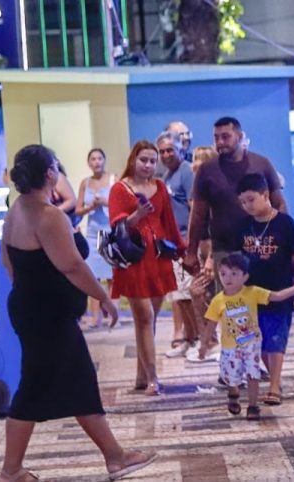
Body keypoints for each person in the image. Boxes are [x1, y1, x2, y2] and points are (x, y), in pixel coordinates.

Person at [0, 144, 154, 482]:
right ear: (50, 174)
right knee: (41, 386)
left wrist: (27, 293)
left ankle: (114, 456)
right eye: (56, 165)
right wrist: (106, 298)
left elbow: (7, 261)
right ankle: (11, 471)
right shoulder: (47, 214)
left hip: (30, 310)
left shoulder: (16, 210)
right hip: (48, 317)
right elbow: (72, 265)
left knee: (73, 381)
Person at [184, 117, 286, 364]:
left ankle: (262, 363)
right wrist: (191, 251)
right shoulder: (208, 170)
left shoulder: (261, 164)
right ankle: (237, 366)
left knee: (262, 308)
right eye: (216, 137)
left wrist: (285, 241)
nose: (220, 142)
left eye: (225, 137)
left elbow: (279, 204)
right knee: (234, 311)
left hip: (261, 249)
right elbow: (198, 214)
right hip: (225, 251)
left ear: (240, 137)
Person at [109, 140, 184, 396]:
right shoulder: (119, 189)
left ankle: (142, 375)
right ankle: (153, 377)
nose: (149, 165)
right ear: (133, 159)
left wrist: (183, 252)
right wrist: (137, 215)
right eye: (144, 160)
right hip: (134, 258)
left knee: (148, 320)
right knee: (144, 318)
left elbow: (170, 224)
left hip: (159, 258)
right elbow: (117, 227)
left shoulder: (160, 187)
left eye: (153, 161)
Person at [231, 173, 294, 406]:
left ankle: (274, 386)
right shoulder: (243, 226)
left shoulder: (284, 224)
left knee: (276, 340)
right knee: (260, 343)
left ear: (266, 195)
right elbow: (236, 261)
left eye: (251, 200)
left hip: (280, 293)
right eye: (243, 202)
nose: (247, 206)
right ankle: (274, 378)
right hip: (251, 296)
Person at [201, 252, 294, 420]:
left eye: (234, 274)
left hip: (252, 346)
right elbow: (210, 324)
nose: (228, 278)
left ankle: (253, 405)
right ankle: (233, 394)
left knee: (253, 374)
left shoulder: (252, 292)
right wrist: (204, 344)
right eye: (223, 273)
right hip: (230, 349)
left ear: (245, 276)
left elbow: (276, 296)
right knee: (231, 377)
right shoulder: (218, 301)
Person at [158, 131, 199, 359]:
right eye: (162, 151)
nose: (166, 154)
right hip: (171, 245)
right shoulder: (166, 176)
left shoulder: (186, 172)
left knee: (190, 295)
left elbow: (195, 208)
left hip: (185, 241)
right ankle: (188, 339)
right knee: (179, 296)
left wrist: (190, 242)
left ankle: (200, 341)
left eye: (170, 150)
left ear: (180, 149)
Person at [75, 150, 115, 330]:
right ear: (88, 163)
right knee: (94, 277)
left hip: (110, 232)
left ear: (104, 160)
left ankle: (114, 315)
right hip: (92, 234)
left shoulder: (114, 179)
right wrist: (90, 206)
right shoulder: (85, 183)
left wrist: (106, 202)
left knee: (113, 277)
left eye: (100, 158)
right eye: (93, 159)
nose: (97, 162)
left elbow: (122, 204)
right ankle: (95, 317)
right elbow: (77, 210)